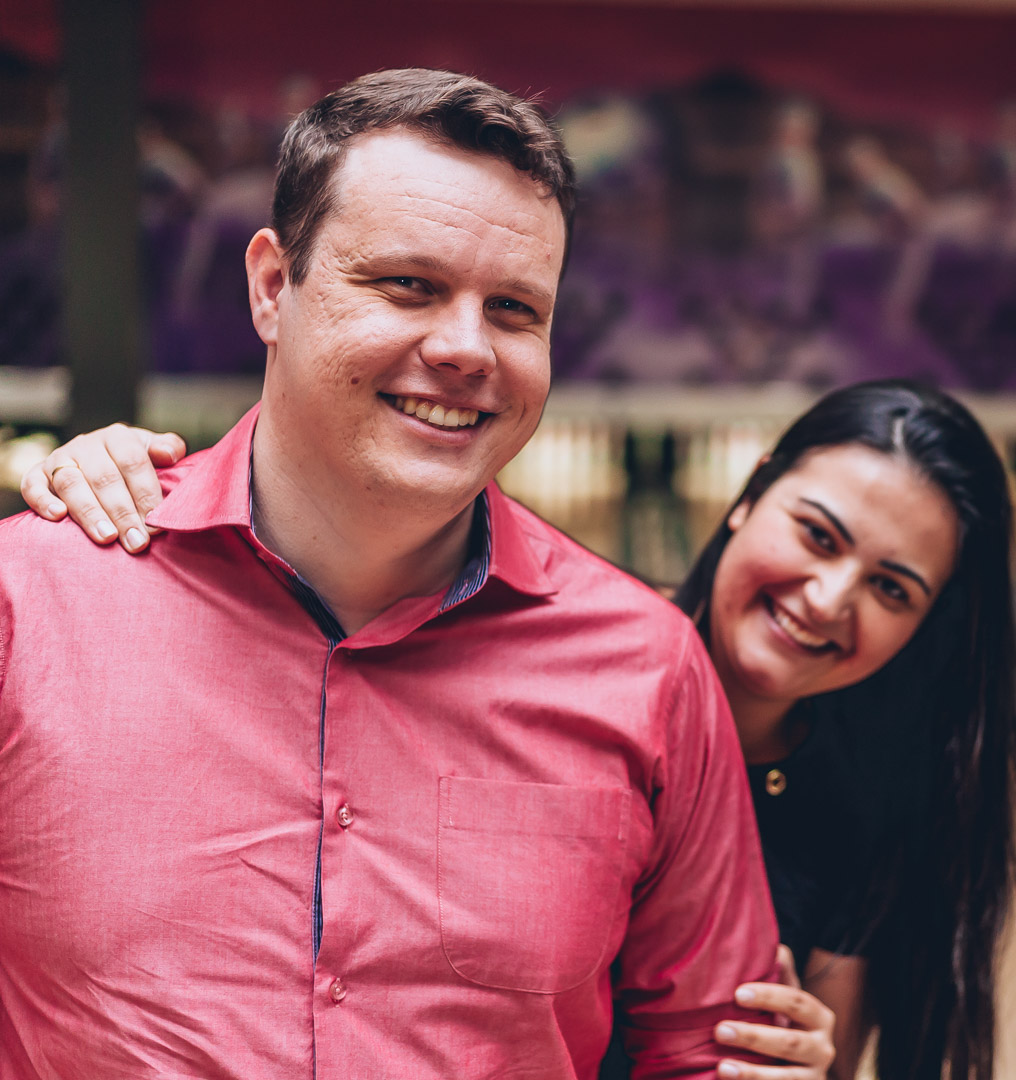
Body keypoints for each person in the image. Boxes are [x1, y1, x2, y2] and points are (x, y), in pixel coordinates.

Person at [0, 68, 798, 1080]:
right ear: (271, 287)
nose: (466, 348)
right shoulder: (29, 602)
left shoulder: (648, 670)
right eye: (408, 286)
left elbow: (706, 1053)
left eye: (514, 309)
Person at [24, 377, 1016, 1080]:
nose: (828, 597)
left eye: (891, 588)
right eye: (817, 533)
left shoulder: (870, 816)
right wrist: (118, 494)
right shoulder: (575, 669)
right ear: (755, 484)